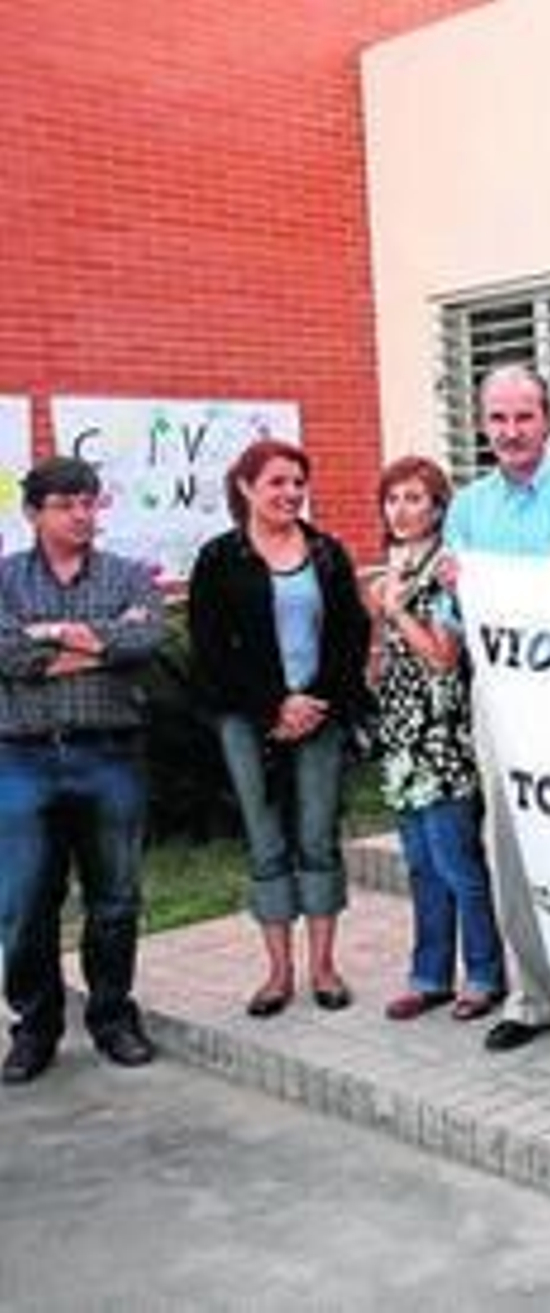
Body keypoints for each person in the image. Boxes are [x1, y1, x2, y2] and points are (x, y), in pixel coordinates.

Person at [443, 363, 550, 1055]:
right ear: (483, 424)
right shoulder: (467, 509)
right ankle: (534, 995)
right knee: (509, 842)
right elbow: (453, 613)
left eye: (524, 416)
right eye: (498, 419)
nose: (511, 432)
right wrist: (456, 586)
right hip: (499, 692)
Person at [189, 440, 373, 1019]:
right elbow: (211, 649)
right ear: (245, 487)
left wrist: (312, 701)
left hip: (319, 715)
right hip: (248, 720)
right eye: (276, 482)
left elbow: (351, 636)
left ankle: (323, 966)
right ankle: (278, 972)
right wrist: (274, 705)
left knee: (317, 838)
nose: (291, 493)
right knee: (266, 842)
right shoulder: (219, 558)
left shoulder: (326, 553)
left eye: (298, 482)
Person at [0, 457, 165, 1084]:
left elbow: (146, 640)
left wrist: (55, 637)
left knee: (116, 900)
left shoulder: (127, 575)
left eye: (89, 503)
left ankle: (112, 1017)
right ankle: (35, 1028)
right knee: (22, 905)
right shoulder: (6, 579)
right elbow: (8, 654)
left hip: (110, 754)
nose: (81, 515)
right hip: (22, 756)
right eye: (66, 504)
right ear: (34, 513)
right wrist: (100, 642)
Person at [370, 456, 505, 1024]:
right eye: (392, 498)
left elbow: (445, 658)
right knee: (421, 866)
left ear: (438, 507)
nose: (401, 510)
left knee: (457, 863)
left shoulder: (447, 567)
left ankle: (484, 975)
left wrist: (396, 609)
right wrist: (375, 643)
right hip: (400, 735)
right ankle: (428, 976)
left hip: (443, 734)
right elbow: (381, 657)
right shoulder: (388, 567)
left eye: (414, 498)